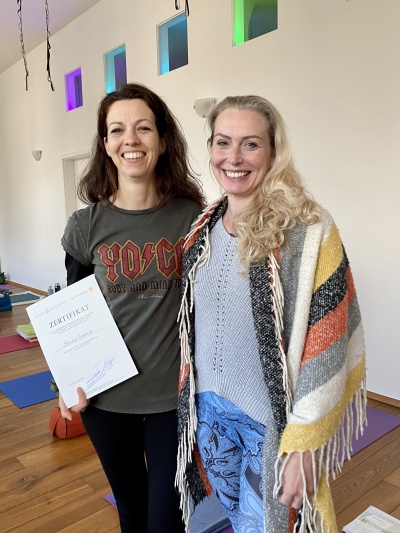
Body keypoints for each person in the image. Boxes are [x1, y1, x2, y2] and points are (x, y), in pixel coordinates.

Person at [175, 95, 367, 533]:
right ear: (210, 150)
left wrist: (304, 445)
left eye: (251, 144)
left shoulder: (309, 229)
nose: (234, 157)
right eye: (223, 142)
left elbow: (328, 343)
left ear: (274, 151)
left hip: (270, 429)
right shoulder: (201, 230)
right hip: (208, 418)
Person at [59, 82, 205, 533]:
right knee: (131, 510)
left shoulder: (191, 215)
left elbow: (210, 304)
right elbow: (72, 315)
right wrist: (66, 383)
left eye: (143, 128)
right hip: (107, 399)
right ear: (105, 145)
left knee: (167, 518)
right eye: (117, 130)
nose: (131, 140)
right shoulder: (86, 226)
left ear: (162, 140)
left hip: (172, 398)